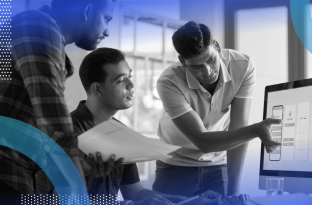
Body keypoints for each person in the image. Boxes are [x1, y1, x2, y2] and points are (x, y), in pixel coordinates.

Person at [0, 0, 115, 203]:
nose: (107, 31)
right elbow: (53, 118)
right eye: (106, 19)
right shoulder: (38, 26)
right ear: (87, 11)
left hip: (13, 173)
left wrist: (79, 165)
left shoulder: (50, 40)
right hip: (2, 170)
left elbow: (36, 127)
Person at [74, 47, 224, 205]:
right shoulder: (67, 133)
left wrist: (194, 201)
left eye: (130, 77)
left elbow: (136, 193)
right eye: (121, 80)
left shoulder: (122, 134)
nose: (131, 84)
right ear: (97, 89)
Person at [153, 21, 281, 197]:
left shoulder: (242, 66)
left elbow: (238, 129)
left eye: (211, 60)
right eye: (196, 66)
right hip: (175, 164)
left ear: (217, 48)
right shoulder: (168, 82)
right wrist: (256, 130)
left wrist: (234, 191)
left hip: (219, 165)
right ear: (183, 62)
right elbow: (203, 142)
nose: (206, 72)